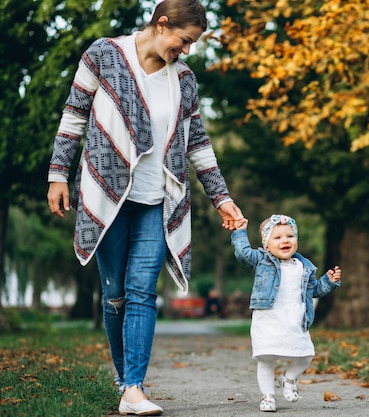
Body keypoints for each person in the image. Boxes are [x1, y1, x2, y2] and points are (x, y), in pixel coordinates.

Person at [46, 1, 243, 415]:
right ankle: (124, 381)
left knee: (141, 292)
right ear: (162, 24)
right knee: (114, 294)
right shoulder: (103, 54)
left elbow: (198, 145)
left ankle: (134, 388)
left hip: (160, 199)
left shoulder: (184, 79)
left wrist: (221, 198)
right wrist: (57, 174)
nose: (186, 50)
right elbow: (74, 115)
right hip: (107, 195)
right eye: (183, 40)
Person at [231, 214, 342, 412]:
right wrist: (239, 231)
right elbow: (242, 253)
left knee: (305, 355)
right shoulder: (262, 260)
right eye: (278, 237)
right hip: (268, 319)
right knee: (266, 359)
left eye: (290, 236)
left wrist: (329, 281)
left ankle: (288, 379)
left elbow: (314, 290)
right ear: (266, 244)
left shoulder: (304, 266)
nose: (285, 241)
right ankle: (268, 397)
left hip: (296, 320)